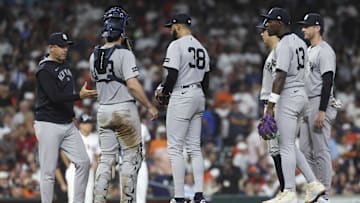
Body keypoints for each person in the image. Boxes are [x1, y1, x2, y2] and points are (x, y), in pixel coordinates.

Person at [89, 6, 158, 203]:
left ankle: (99, 200)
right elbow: (133, 85)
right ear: (123, 29)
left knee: (106, 159)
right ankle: (127, 201)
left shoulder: (93, 55)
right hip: (124, 109)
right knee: (130, 158)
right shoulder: (124, 54)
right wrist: (149, 106)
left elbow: (98, 79)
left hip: (103, 110)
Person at [260, 8, 326, 203]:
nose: (267, 25)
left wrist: (271, 106)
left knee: (285, 145)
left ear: (280, 23)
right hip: (300, 94)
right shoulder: (301, 43)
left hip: (287, 95)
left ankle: (288, 192)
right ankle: (313, 184)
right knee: (290, 144)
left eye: (270, 21)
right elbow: (305, 73)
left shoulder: (284, 45)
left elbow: (280, 76)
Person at [33, 32, 98, 203]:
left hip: (67, 123)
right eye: (61, 46)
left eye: (67, 46)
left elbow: (66, 94)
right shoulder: (44, 70)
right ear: (51, 48)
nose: (65, 49)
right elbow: (55, 97)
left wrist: (71, 115)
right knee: (48, 171)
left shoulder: (66, 65)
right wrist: (80, 96)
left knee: (84, 162)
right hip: (48, 124)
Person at [156, 13, 210, 203]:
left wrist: (164, 92)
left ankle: (179, 197)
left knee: (175, 148)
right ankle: (199, 196)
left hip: (182, 94)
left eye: (171, 27)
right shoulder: (201, 47)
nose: (170, 30)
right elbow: (207, 82)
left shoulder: (176, 45)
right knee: (195, 148)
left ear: (178, 27)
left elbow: (171, 76)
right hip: (198, 95)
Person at [298, 13, 339, 203]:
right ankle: (315, 191)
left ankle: (324, 195)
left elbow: (328, 80)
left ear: (317, 28)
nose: (303, 29)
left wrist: (322, 110)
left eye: (307, 26)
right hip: (306, 103)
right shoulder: (307, 50)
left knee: (321, 150)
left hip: (318, 102)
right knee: (306, 152)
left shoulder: (325, 50)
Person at [65, 113, 101, 203]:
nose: (88, 125)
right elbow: (63, 152)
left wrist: (95, 165)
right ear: (80, 124)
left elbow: (98, 154)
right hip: (75, 168)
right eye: (86, 123)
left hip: (89, 169)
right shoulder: (73, 136)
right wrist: (68, 165)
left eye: (90, 123)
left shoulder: (95, 137)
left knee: (88, 197)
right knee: (73, 197)